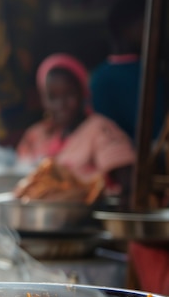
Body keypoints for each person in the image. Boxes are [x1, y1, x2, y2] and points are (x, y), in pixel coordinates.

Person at [16, 53, 136, 200]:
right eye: (53, 97)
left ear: (83, 93)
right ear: (43, 99)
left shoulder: (99, 129)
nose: (61, 105)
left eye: (69, 94)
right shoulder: (36, 135)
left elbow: (128, 183)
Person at [90, 0, 166, 142]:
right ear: (127, 29)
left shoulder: (154, 68)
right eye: (148, 24)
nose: (157, 32)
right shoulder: (103, 79)